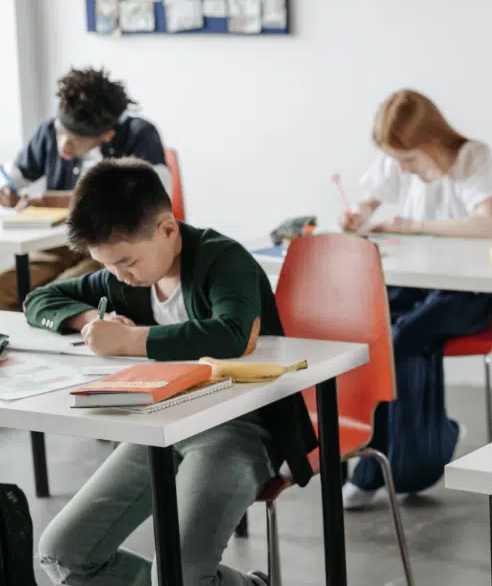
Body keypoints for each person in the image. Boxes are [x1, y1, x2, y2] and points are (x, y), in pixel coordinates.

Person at [26, 158, 314, 586]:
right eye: (108, 266)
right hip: (160, 427)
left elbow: (233, 334)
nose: (119, 276)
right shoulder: (125, 277)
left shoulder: (223, 259)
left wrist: (131, 341)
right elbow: (39, 300)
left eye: (126, 262)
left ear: (167, 230)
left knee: (179, 574)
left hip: (241, 428)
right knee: (64, 554)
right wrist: (87, 319)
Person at [338, 89, 492, 509]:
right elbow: (369, 198)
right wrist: (359, 213)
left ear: (432, 140)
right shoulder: (399, 159)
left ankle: (386, 467)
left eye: (409, 159)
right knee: (369, 332)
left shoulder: (473, 158)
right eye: (395, 159)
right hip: (416, 284)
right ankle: (426, 443)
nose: (401, 168)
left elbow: (490, 224)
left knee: (405, 337)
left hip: (470, 293)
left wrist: (416, 225)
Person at [0, 67, 169, 312]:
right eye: (61, 133)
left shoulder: (139, 135)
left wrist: (51, 200)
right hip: (60, 244)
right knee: (5, 287)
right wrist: (6, 189)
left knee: (51, 297)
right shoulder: (48, 132)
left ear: (106, 136)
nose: (63, 147)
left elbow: (156, 199)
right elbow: (14, 175)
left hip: (111, 249)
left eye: (75, 140)